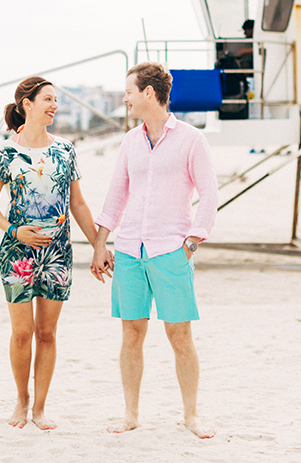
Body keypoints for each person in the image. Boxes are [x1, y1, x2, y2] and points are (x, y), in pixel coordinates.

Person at [90, 62, 219, 439]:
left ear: (149, 92)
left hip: (170, 250)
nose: (125, 98)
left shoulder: (192, 139)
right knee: (131, 333)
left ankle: (191, 415)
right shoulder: (130, 140)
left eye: (129, 91)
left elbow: (210, 196)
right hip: (129, 249)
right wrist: (101, 243)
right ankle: (130, 414)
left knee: (180, 336)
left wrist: (192, 242)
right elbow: (116, 195)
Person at [0, 76, 98, 431]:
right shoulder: (5, 152)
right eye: (47, 99)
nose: (54, 106)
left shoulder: (65, 149)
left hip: (58, 254)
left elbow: (77, 202)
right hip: (17, 253)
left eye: (55, 100)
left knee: (47, 333)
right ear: (27, 104)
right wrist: (14, 229)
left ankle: (41, 408)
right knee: (22, 332)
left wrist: (98, 245)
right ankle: (21, 400)